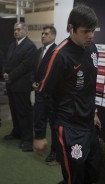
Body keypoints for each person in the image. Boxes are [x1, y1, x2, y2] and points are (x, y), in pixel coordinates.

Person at [33, 4, 102, 184]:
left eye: (93, 30)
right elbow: (42, 95)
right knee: (74, 178)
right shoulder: (59, 56)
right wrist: (39, 135)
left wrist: (94, 112)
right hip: (69, 128)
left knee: (93, 173)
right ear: (71, 28)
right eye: (86, 31)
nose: (91, 36)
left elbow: (90, 86)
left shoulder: (92, 49)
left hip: (89, 125)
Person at [3, 22, 38, 152]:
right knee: (14, 111)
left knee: (24, 112)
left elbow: (25, 66)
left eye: (18, 29)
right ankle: (17, 132)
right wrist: (5, 73)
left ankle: (28, 139)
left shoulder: (30, 47)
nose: (16, 32)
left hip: (22, 84)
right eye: (14, 29)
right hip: (12, 84)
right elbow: (7, 61)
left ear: (25, 31)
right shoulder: (13, 44)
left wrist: (10, 75)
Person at [33, 25, 59, 165]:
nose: (43, 35)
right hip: (39, 93)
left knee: (54, 126)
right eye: (42, 33)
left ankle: (55, 153)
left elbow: (54, 75)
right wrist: (34, 83)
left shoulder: (56, 52)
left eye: (46, 33)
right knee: (40, 120)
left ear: (53, 36)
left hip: (52, 97)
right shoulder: (39, 51)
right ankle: (40, 141)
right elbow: (36, 71)